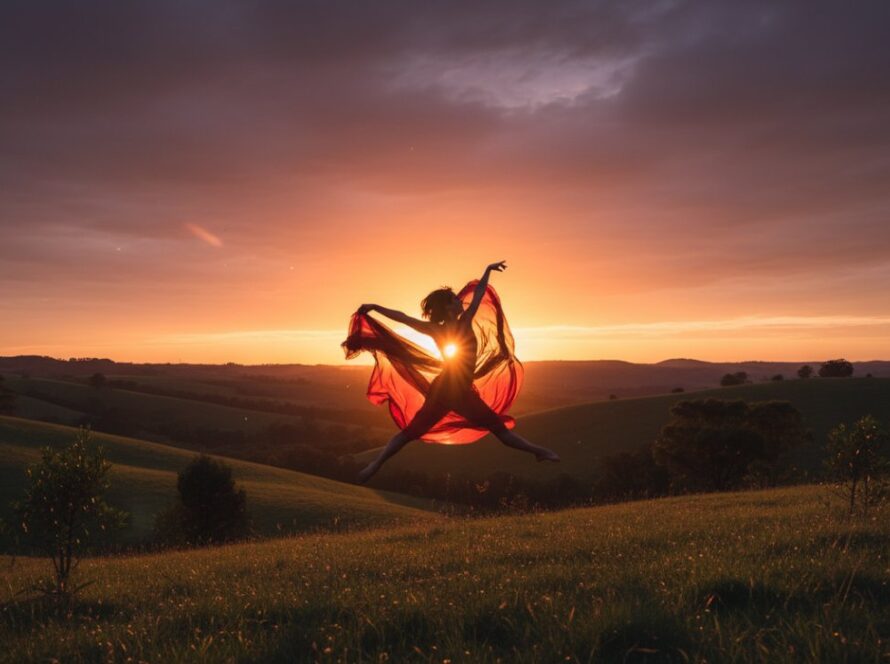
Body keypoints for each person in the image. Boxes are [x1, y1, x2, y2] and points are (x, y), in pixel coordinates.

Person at [346, 261, 560, 484]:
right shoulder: (451, 326)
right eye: (455, 300)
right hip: (448, 390)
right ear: (448, 308)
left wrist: (487, 271)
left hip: (456, 389)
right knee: (418, 433)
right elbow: (403, 317)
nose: (460, 301)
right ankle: (375, 465)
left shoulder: (455, 324)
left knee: (413, 434)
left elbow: (477, 295)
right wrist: (375, 307)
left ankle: (539, 451)